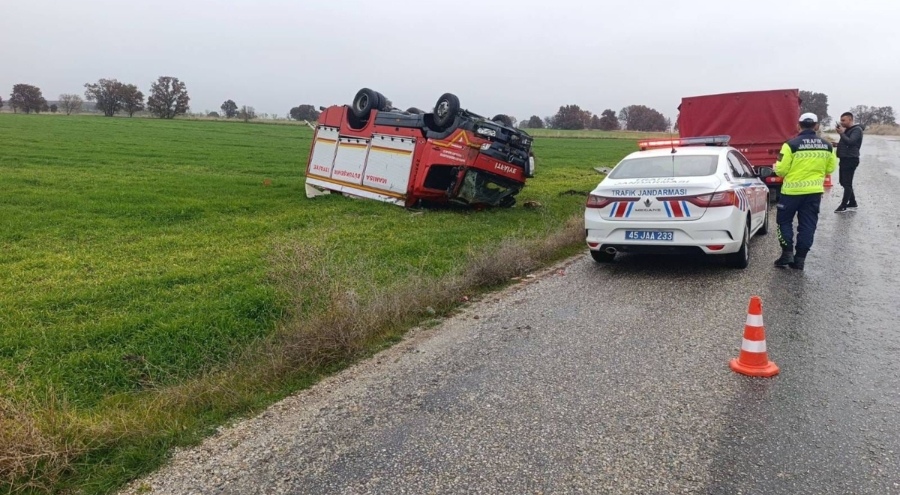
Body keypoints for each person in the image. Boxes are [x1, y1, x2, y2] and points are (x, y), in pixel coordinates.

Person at [772, 113, 837, 270]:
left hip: (791, 193)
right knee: (808, 225)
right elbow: (830, 168)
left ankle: (787, 253)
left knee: (783, 221)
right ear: (817, 126)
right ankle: (800, 259)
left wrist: (775, 167)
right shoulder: (827, 146)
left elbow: (781, 170)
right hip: (813, 192)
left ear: (798, 126)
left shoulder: (790, 145)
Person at [833, 111, 864, 212]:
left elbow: (851, 142)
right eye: (841, 120)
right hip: (844, 158)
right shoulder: (848, 130)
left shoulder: (857, 130)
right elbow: (847, 143)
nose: (841, 122)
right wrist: (837, 144)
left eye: (843, 120)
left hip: (851, 159)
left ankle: (843, 205)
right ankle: (852, 202)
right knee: (843, 181)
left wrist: (842, 133)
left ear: (850, 119)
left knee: (847, 183)